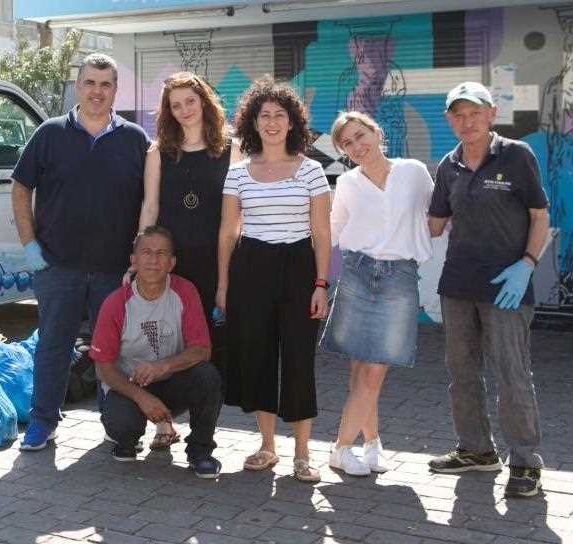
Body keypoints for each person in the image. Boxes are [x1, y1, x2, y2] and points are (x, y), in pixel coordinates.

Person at [12, 53, 150, 451]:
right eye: (90, 83)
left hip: (113, 270)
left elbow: (148, 202)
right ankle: (42, 421)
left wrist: (138, 257)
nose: (97, 91)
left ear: (115, 91)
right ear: (78, 86)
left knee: (114, 349)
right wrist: (29, 245)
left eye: (105, 84)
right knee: (53, 346)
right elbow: (21, 188)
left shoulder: (134, 139)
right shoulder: (50, 134)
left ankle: (115, 421)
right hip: (57, 266)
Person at [427, 82, 551, 498]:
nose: (467, 122)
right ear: (449, 119)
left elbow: (539, 215)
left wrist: (527, 265)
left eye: (474, 113)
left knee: (512, 374)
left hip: (506, 288)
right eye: (458, 114)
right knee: (461, 372)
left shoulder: (517, 156)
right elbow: (434, 223)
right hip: (458, 284)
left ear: (491, 113)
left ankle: (526, 462)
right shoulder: (448, 165)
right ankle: (477, 450)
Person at [215, 77, 331, 483]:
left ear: (292, 122)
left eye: (279, 115)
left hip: (299, 267)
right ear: (252, 122)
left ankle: (303, 453)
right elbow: (228, 233)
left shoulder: (312, 170)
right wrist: (224, 285)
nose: (272, 122)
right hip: (251, 268)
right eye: (264, 115)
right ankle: (267, 446)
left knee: (300, 358)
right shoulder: (239, 173)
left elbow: (322, 234)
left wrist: (321, 284)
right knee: (258, 356)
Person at [319, 111, 434, 477]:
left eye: (359, 136)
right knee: (359, 372)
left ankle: (342, 448)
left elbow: (437, 214)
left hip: (399, 276)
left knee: (373, 371)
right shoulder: (349, 183)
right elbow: (331, 232)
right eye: (347, 144)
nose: (356, 147)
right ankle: (369, 445)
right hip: (357, 273)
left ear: (376, 132)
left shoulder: (414, 171)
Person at [134, 71, 242, 449]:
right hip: (169, 265)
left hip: (216, 265)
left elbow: (237, 216)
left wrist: (231, 276)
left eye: (190, 102)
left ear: (204, 101)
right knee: (164, 343)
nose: (184, 110)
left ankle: (203, 436)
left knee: (208, 350)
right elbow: (150, 207)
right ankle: (164, 424)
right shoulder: (159, 150)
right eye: (175, 105)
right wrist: (138, 259)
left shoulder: (232, 148)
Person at [91, 225, 223, 478]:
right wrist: (141, 397)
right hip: (129, 388)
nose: (153, 260)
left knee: (208, 376)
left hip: (173, 382)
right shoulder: (116, 303)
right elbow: (103, 367)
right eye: (146, 252)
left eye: (161, 253)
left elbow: (202, 350)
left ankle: (201, 452)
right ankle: (128, 440)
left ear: (172, 262)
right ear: (133, 260)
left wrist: (162, 366)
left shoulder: (185, 291)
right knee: (122, 424)